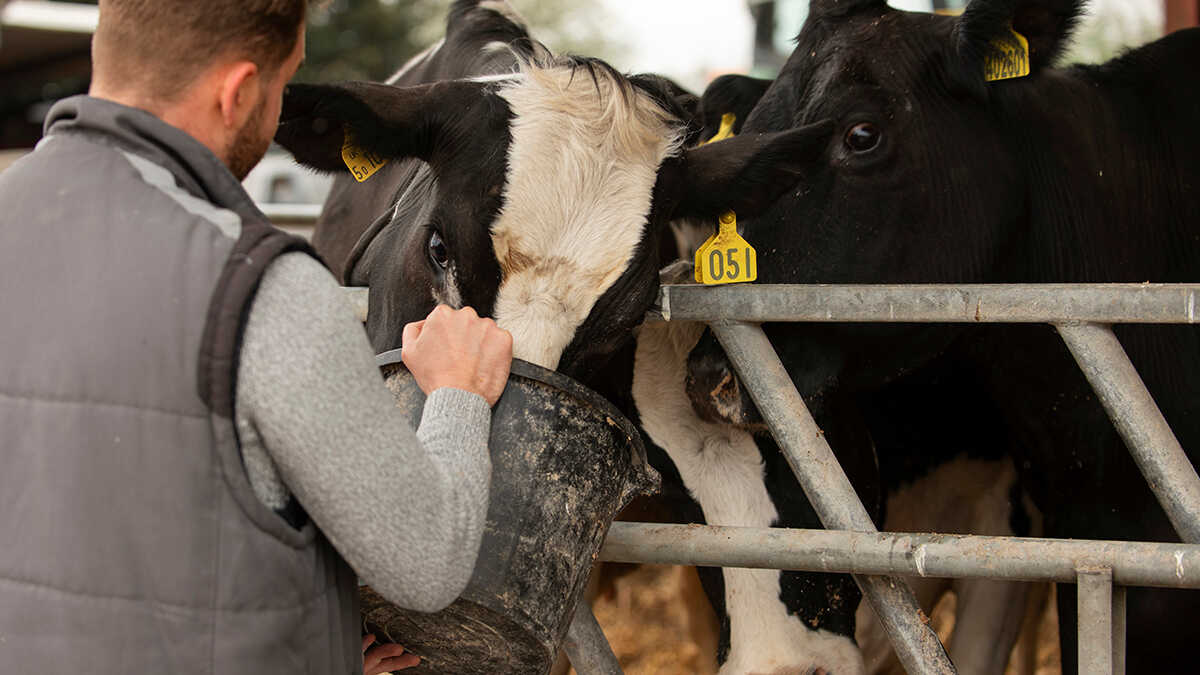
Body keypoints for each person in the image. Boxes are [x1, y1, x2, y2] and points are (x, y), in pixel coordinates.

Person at [0, 1, 512, 673]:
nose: (276, 118)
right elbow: (427, 560)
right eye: (281, 85)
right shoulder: (262, 290)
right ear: (239, 91)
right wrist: (458, 392)